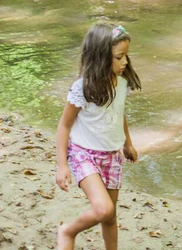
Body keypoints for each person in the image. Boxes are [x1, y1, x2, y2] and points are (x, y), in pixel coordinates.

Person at [55, 23, 141, 250]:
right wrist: (62, 165)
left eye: (126, 56)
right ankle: (68, 231)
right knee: (104, 209)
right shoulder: (82, 88)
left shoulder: (121, 83)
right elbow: (64, 126)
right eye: (119, 57)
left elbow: (118, 113)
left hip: (112, 156)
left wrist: (128, 144)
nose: (125, 62)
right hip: (84, 154)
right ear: (100, 58)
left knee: (110, 217)